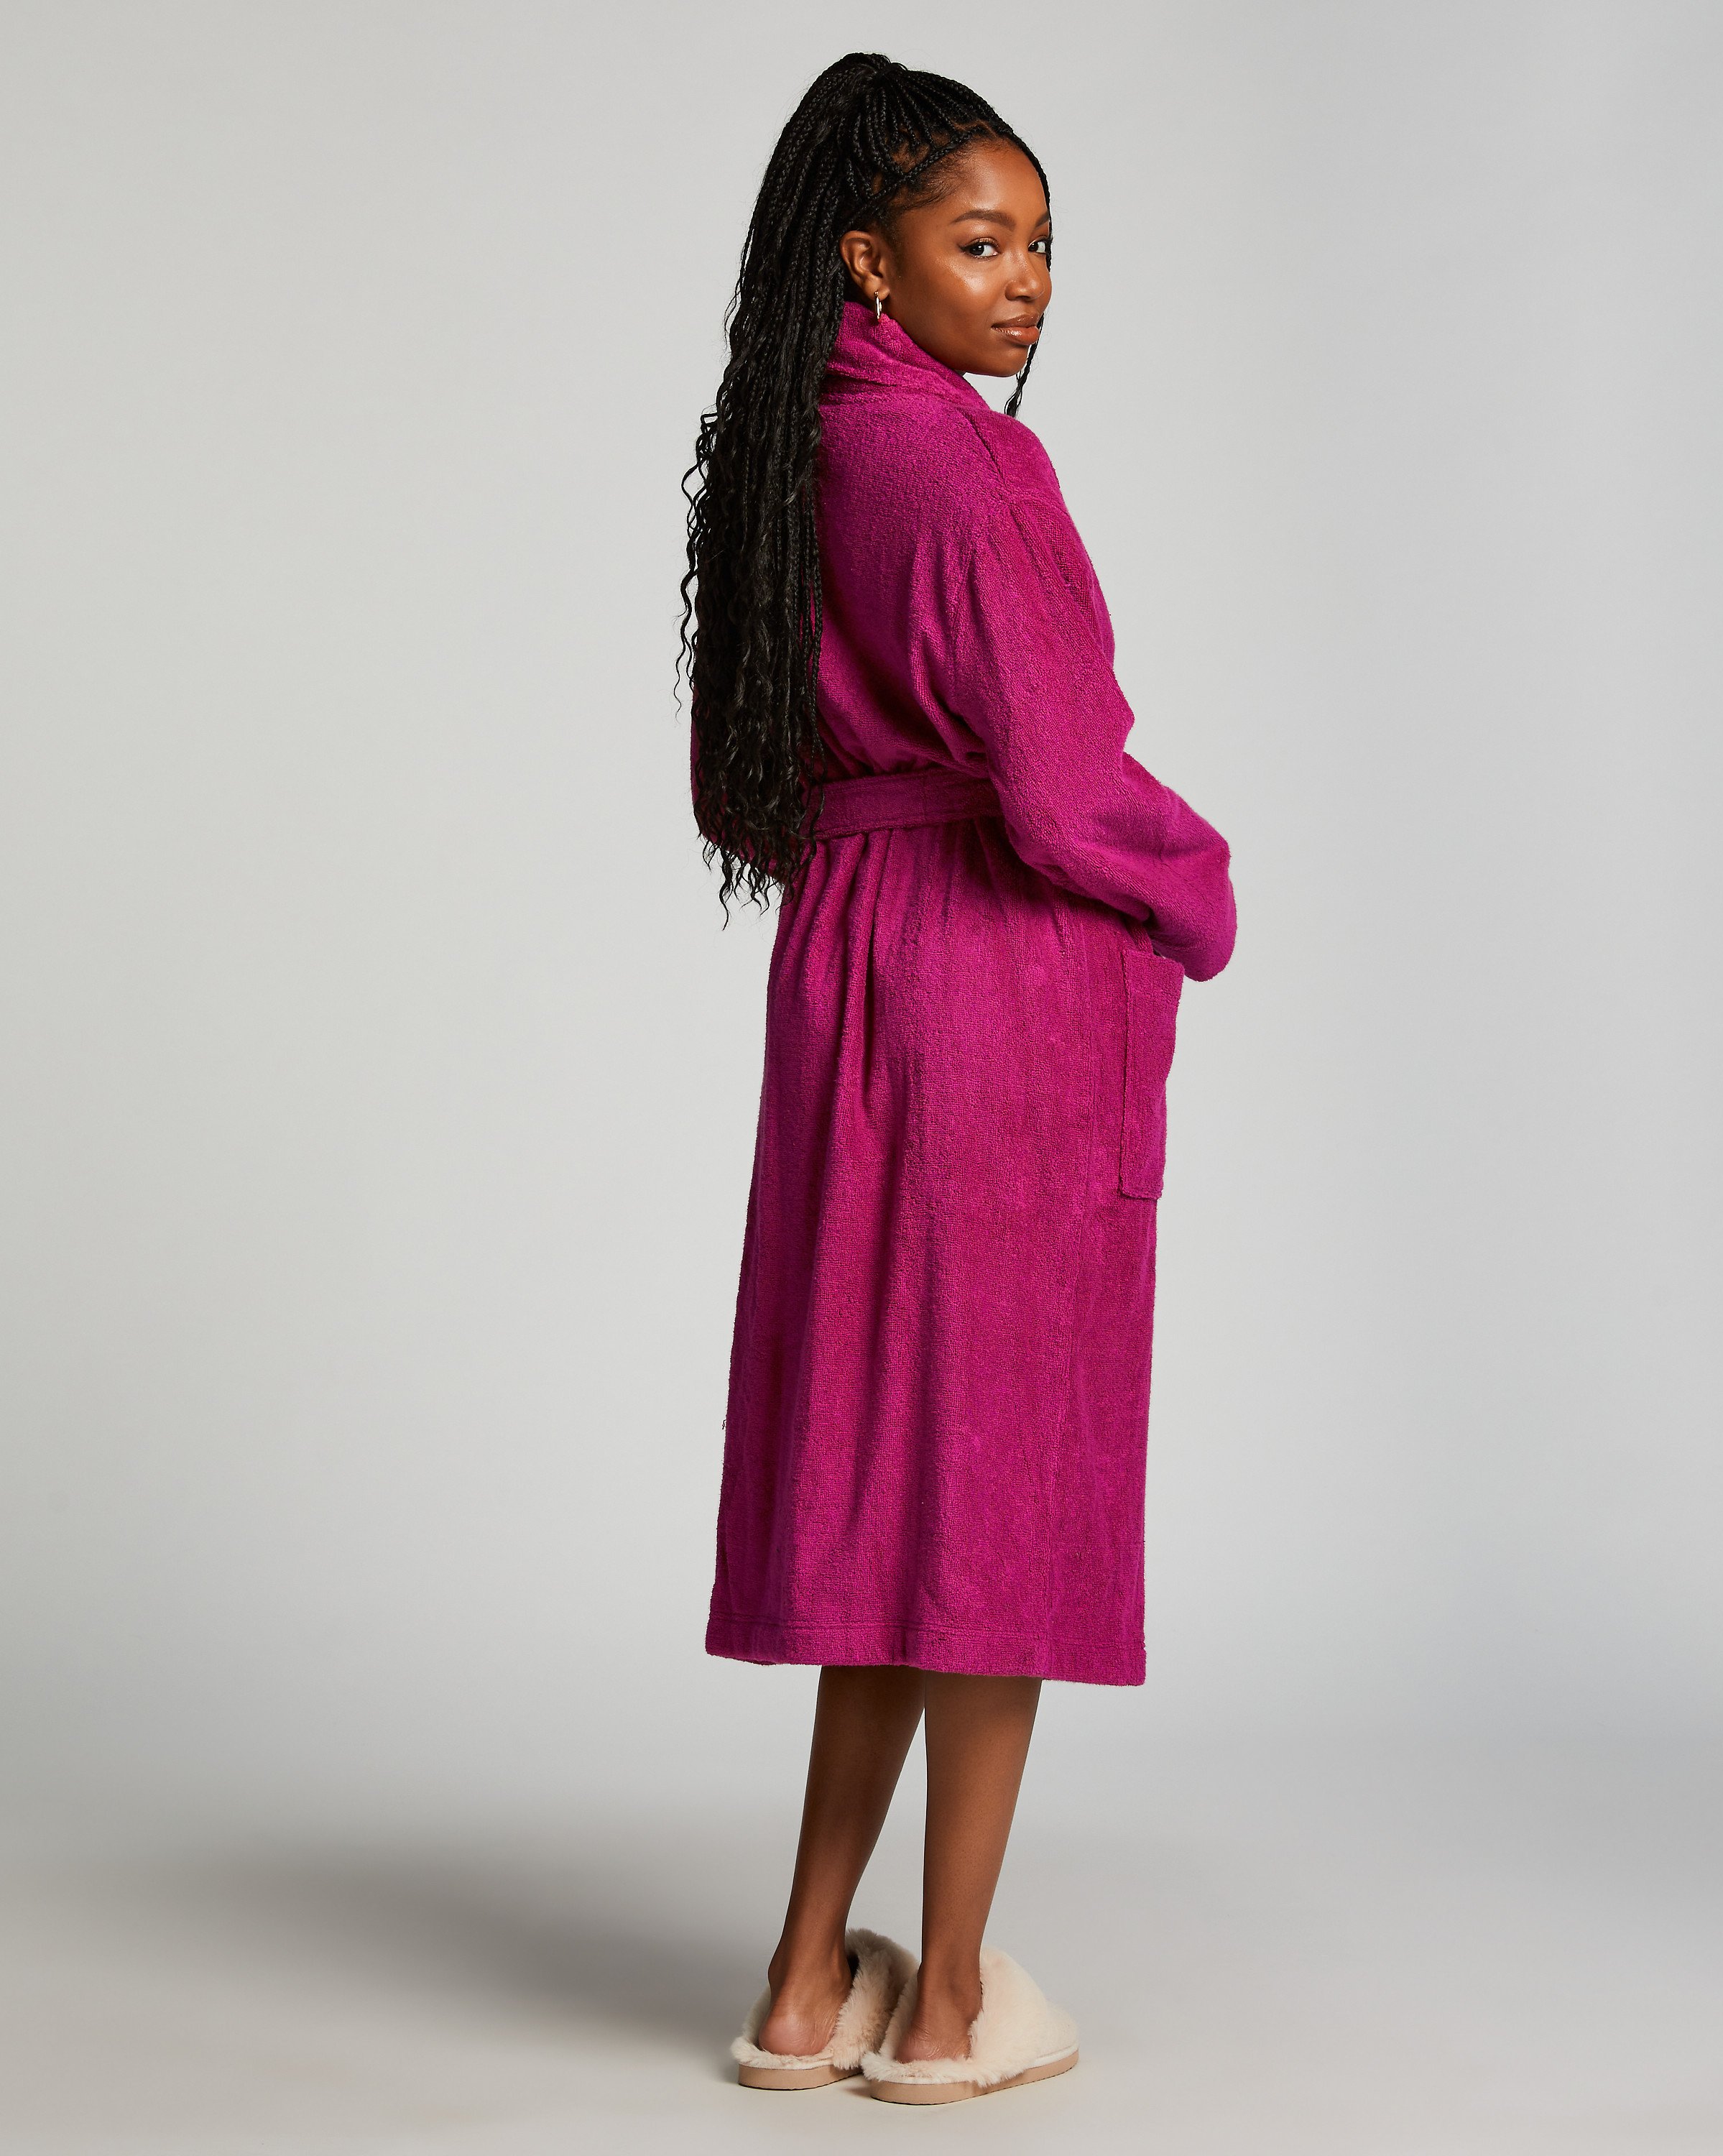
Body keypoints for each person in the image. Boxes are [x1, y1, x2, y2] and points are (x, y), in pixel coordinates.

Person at [680, 52, 1237, 2104]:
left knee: (890, 1484)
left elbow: (739, 788)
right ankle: (947, 2007)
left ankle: (803, 1981)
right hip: (997, 979)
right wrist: (1195, 886)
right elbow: (1066, 790)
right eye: (980, 242)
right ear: (870, 258)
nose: (1026, 284)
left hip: (848, 968)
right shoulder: (976, 475)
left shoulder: (787, 460)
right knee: (996, 1493)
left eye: (1042, 248)